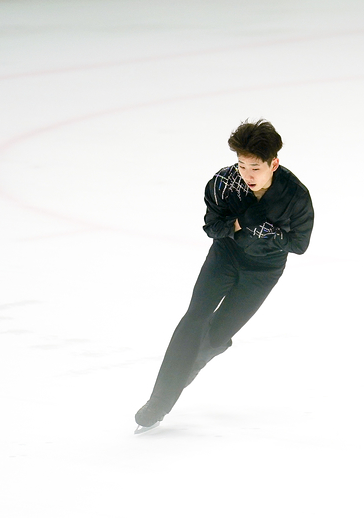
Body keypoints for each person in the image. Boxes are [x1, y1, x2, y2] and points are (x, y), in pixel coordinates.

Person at [134, 119, 314, 432]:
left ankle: (183, 373)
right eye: (242, 165)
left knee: (217, 336)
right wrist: (240, 224)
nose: (247, 175)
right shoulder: (223, 183)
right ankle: (159, 401)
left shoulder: (295, 195)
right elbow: (212, 227)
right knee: (194, 319)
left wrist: (265, 232)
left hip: (263, 271)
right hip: (225, 258)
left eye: (255, 167)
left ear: (274, 163)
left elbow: (299, 244)